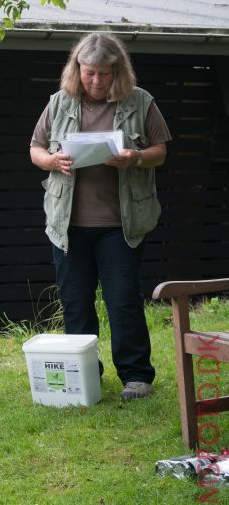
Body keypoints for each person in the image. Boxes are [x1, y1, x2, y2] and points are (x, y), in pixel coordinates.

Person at [29, 32, 171, 401]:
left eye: (104, 74)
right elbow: (35, 149)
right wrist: (52, 160)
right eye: (89, 73)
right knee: (75, 303)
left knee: (122, 299)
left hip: (120, 225)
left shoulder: (140, 102)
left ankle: (136, 377)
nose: (95, 81)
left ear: (117, 71)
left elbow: (160, 151)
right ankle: (83, 374)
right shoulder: (58, 103)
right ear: (77, 70)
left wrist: (135, 157)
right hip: (68, 225)